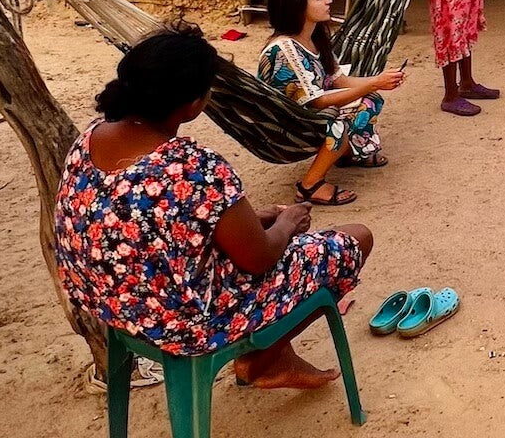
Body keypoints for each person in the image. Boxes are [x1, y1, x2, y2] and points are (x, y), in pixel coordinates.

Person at [55, 28, 374, 388]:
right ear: (194, 104)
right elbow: (260, 258)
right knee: (354, 239)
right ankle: (263, 360)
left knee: (257, 247)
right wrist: (287, 222)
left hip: (115, 307)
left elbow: (148, 222)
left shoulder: (90, 139)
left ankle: (276, 356)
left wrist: (252, 219)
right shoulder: (193, 166)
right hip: (185, 326)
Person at [258, 0, 405, 206]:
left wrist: (379, 80)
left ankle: (348, 153)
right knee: (340, 122)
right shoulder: (284, 51)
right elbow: (316, 103)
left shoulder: (314, 37)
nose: (328, 0)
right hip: (289, 125)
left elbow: (337, 79)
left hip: (310, 112)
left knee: (371, 100)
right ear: (297, 7)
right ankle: (310, 185)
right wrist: (373, 83)